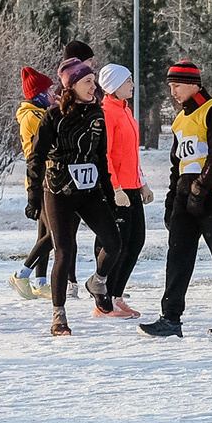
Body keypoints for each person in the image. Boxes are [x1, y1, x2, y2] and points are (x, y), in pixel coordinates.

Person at [143, 60, 212, 338]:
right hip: (184, 197)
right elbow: (177, 164)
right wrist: (172, 199)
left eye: (177, 86)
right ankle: (170, 318)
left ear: (194, 84)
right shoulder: (179, 120)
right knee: (177, 256)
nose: (173, 92)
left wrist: (200, 191)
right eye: (170, 86)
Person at [28, 58, 116, 336]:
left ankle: (98, 282)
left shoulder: (97, 114)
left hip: (89, 192)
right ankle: (59, 316)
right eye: (88, 81)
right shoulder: (52, 116)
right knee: (63, 251)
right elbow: (36, 158)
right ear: (72, 85)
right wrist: (33, 196)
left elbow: (100, 158)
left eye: (94, 81)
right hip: (58, 191)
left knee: (114, 242)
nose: (94, 86)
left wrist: (109, 194)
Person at [93, 64, 145, 317]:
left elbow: (131, 153)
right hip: (117, 189)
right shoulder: (107, 113)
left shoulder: (126, 111)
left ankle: (116, 295)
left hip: (132, 186)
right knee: (117, 244)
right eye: (128, 81)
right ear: (114, 86)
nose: (133, 85)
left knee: (136, 242)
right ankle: (104, 302)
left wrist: (142, 181)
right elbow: (106, 156)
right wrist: (115, 188)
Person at [12, 67, 57, 298]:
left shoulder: (40, 113)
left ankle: (40, 282)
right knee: (54, 234)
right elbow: (41, 150)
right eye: (48, 90)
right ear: (38, 94)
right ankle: (22, 274)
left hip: (47, 178)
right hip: (41, 179)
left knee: (44, 233)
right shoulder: (33, 116)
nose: (52, 93)